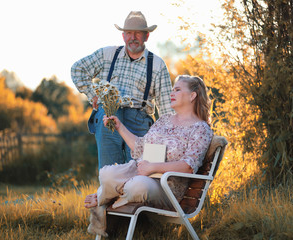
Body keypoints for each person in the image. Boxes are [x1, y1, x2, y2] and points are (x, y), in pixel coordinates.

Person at [84, 75, 214, 236]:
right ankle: (108, 196)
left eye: (178, 89)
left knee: (136, 186)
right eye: (172, 89)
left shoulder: (200, 129)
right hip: (139, 171)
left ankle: (104, 197)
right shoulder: (165, 119)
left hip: (167, 186)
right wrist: (119, 127)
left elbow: (188, 166)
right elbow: (141, 147)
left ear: (192, 95)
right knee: (106, 174)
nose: (172, 93)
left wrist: (153, 167)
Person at [71, 11, 174, 170]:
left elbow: (167, 109)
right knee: (109, 171)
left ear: (146, 36)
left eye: (138, 33)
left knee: (138, 173)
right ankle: (108, 193)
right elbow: (77, 69)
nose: (133, 37)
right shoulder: (107, 54)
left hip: (139, 119)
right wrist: (94, 95)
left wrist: (171, 139)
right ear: (123, 36)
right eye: (128, 33)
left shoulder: (157, 65)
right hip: (109, 113)